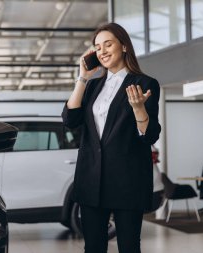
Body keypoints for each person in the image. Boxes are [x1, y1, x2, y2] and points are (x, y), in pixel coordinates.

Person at [61, 22, 161, 253]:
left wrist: (139, 109)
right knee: (93, 247)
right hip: (91, 178)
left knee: (128, 247)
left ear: (124, 46)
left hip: (127, 179)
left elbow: (150, 135)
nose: (102, 51)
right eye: (97, 47)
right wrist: (82, 78)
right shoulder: (93, 86)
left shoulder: (145, 84)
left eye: (108, 44)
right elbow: (70, 120)